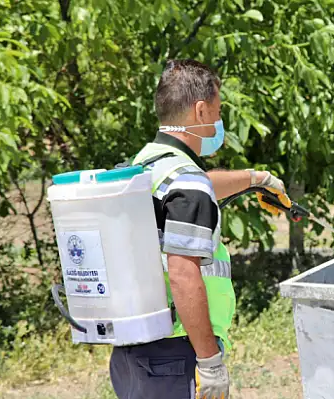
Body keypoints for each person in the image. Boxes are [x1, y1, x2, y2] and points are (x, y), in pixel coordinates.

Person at [109, 59, 291, 399]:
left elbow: (199, 186)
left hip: (133, 353)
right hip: (175, 353)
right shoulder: (188, 182)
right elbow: (183, 275)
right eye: (218, 111)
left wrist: (257, 180)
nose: (219, 123)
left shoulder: (144, 165)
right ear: (201, 110)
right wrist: (209, 361)